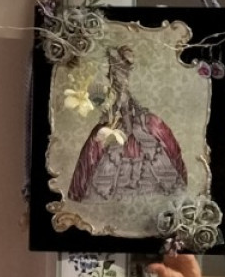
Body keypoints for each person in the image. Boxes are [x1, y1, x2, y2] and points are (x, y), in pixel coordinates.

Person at [67, 46, 188, 203]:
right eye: (113, 74)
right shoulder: (110, 93)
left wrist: (125, 118)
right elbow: (113, 106)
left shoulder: (128, 94)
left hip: (132, 125)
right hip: (117, 125)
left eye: (118, 73)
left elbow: (126, 110)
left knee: (155, 143)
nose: (115, 77)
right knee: (98, 150)